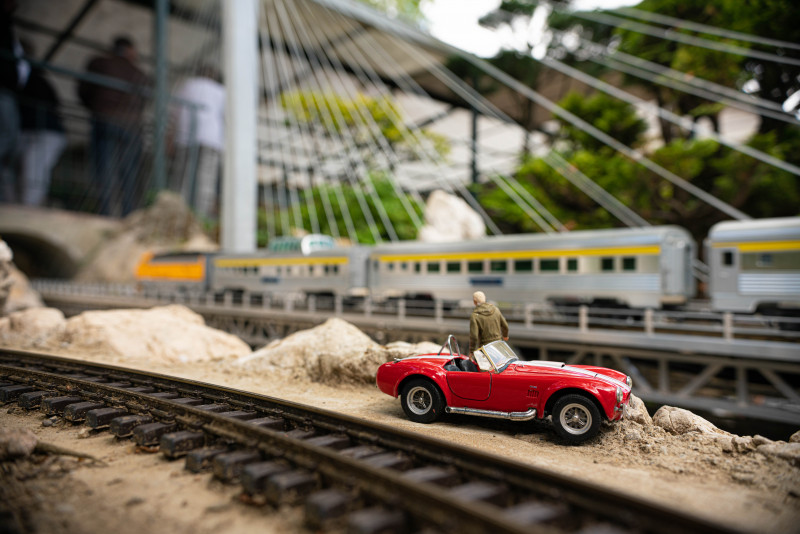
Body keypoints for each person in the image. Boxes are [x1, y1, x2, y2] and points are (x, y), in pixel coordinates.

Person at [78, 35, 148, 217]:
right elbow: (144, 101)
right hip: (131, 127)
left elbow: (84, 90)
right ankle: (128, 215)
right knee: (129, 175)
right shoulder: (138, 73)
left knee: (105, 171)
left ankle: (107, 213)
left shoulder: (100, 63)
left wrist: (97, 107)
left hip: (106, 120)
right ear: (129, 51)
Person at [170, 65, 225, 221]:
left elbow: (173, 114)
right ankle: (200, 219)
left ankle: (177, 216)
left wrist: (170, 139)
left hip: (185, 138)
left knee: (182, 180)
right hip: (211, 140)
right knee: (205, 182)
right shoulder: (220, 91)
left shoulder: (186, 86)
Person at [17, 40, 66, 206]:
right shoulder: (33, 76)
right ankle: (26, 205)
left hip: (44, 130)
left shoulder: (29, 76)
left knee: (34, 170)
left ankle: (30, 207)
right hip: (35, 129)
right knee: (31, 169)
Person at [0, 0, 27, 202]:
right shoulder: (3, 22)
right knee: (9, 138)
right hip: (4, 88)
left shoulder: (7, 23)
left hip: (8, 89)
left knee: (10, 141)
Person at [468, 291, 509, 367]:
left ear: (474, 301)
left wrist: (471, 351)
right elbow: (505, 325)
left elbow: (474, 336)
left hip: (485, 348)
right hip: (498, 345)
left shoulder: (475, 315)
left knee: (486, 369)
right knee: (501, 366)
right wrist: (505, 336)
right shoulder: (495, 309)